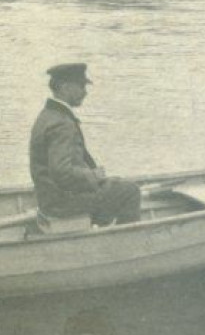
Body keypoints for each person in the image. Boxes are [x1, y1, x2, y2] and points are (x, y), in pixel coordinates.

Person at [29, 63, 142, 227]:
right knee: (130, 191)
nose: (85, 92)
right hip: (61, 203)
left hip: (49, 198)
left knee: (113, 185)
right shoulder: (61, 123)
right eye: (81, 86)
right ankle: (127, 242)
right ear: (65, 87)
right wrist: (93, 176)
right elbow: (61, 171)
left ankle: (99, 228)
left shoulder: (47, 115)